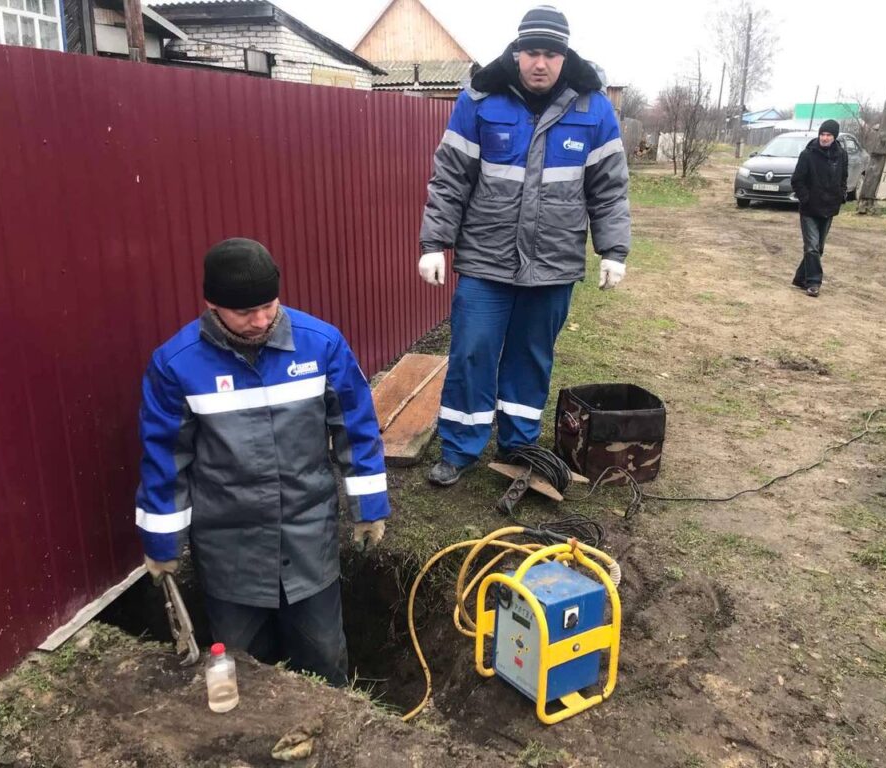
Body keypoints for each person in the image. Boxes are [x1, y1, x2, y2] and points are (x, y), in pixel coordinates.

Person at [135, 238, 389, 686]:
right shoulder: (175, 366)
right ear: (212, 305)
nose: (261, 321)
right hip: (230, 549)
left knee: (325, 661)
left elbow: (356, 427)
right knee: (244, 670)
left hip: (308, 540)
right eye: (245, 313)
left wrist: (369, 509)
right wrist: (162, 545)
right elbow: (164, 459)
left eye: (269, 306)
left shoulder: (322, 345)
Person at [417, 5, 631, 486]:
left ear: (564, 55)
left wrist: (614, 250)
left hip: (553, 264)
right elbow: (450, 178)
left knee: (531, 357)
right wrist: (434, 241)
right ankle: (460, 447)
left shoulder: (593, 106)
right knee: (472, 352)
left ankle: (518, 444)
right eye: (532, 52)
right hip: (485, 260)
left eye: (551, 54)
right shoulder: (479, 99)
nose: (541, 63)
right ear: (517, 53)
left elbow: (609, 188)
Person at [791, 119, 848, 297]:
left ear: (834, 136)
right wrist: (806, 198)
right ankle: (814, 283)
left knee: (818, 248)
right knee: (812, 247)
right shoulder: (808, 154)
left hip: (829, 207)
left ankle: (801, 278)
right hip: (809, 209)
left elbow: (843, 178)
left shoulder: (841, 155)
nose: (824, 138)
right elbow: (797, 180)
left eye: (828, 135)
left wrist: (841, 195)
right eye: (822, 134)